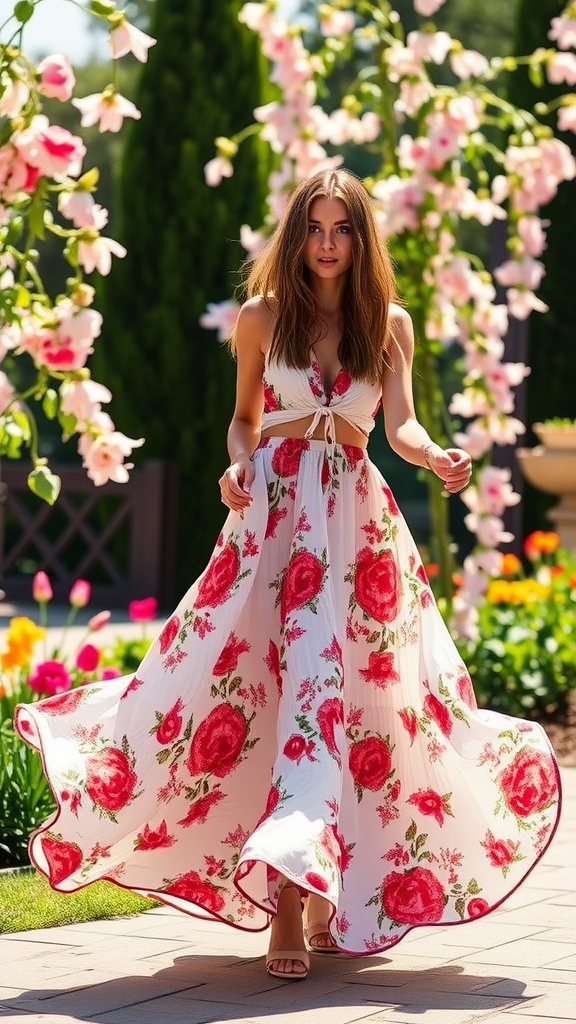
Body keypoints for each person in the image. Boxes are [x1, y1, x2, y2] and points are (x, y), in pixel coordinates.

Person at [15, 169, 560, 984]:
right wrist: (235, 471)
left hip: (357, 530)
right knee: (270, 695)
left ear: (362, 237)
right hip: (272, 525)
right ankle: (289, 914)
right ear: (297, 235)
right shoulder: (262, 318)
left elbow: (400, 424)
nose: (329, 243)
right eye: (316, 228)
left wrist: (436, 453)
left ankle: (328, 891)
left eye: (343, 229)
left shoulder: (391, 325)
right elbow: (242, 423)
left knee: (360, 707)